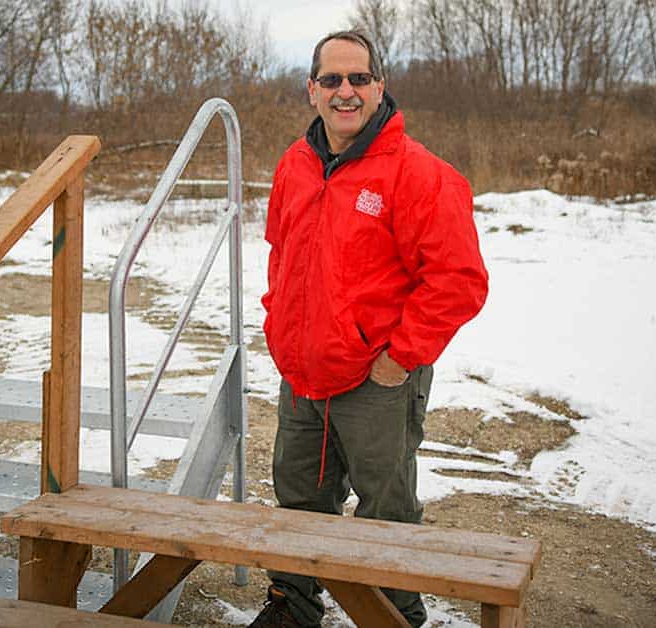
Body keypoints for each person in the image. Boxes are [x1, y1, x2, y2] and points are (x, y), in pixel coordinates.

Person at [253, 30, 488, 628]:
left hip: (377, 379)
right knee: (299, 497)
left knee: (386, 509)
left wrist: (399, 358)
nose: (346, 91)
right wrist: (280, 324)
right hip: (303, 373)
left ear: (380, 87)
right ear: (311, 90)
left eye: (359, 78)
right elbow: (281, 252)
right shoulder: (295, 164)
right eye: (332, 79)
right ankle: (292, 608)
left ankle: (395, 617)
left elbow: (458, 280)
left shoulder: (420, 174)